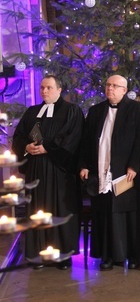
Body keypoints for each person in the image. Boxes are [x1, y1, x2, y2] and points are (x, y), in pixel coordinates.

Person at [79, 74, 140, 271]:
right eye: (107, 85)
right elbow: (86, 141)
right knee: (105, 213)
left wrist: (134, 166)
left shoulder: (138, 110)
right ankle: (109, 255)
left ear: (124, 90)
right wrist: (84, 165)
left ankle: (133, 255)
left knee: (129, 214)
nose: (109, 88)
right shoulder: (95, 111)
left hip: (127, 172)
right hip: (101, 170)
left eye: (114, 86)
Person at [12, 75, 84, 270]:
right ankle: (39, 253)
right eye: (42, 88)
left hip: (60, 171)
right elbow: (18, 137)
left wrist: (48, 148)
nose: (44, 91)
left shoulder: (71, 111)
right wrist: (27, 147)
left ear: (59, 90)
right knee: (37, 209)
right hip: (36, 170)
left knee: (60, 209)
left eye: (49, 88)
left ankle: (63, 255)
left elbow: (72, 138)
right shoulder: (32, 111)